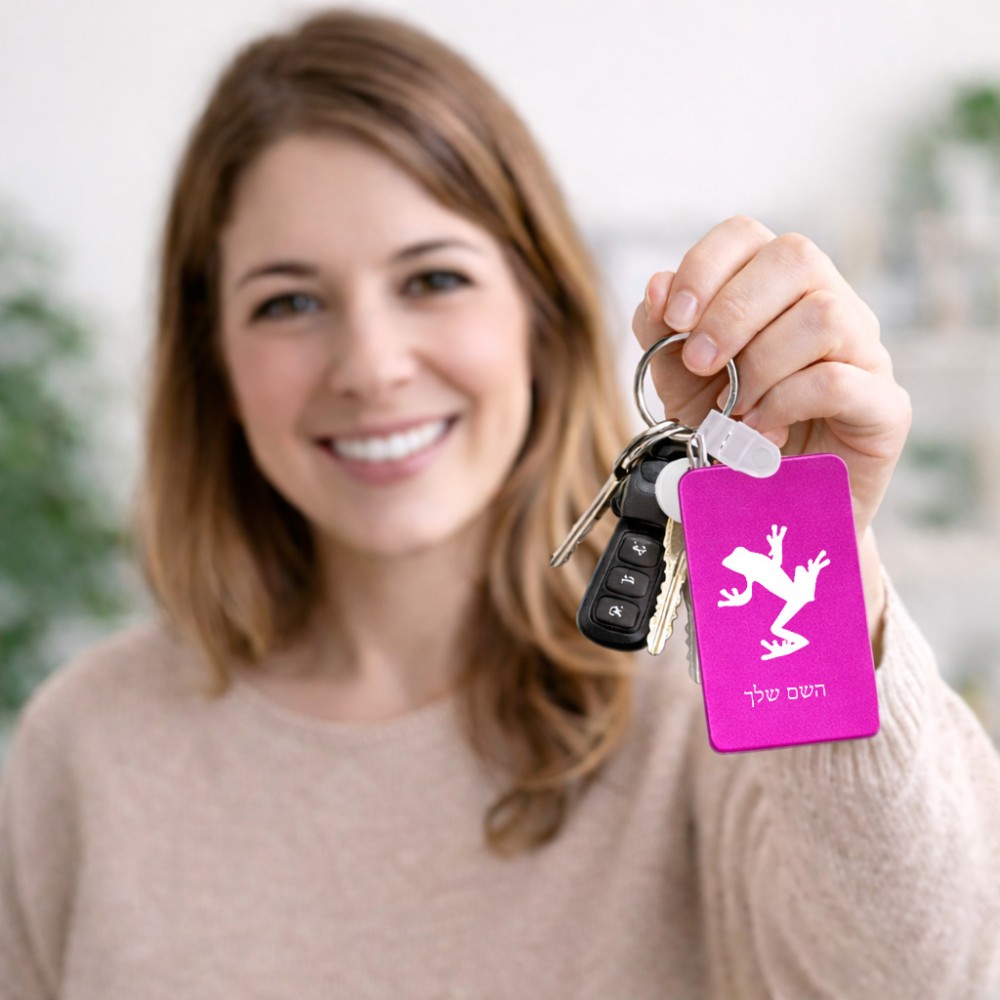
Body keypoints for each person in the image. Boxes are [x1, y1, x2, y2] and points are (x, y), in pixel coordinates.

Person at [1, 8, 998, 999]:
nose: (371, 365)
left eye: (432, 279)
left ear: (540, 315)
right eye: (289, 302)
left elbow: (936, 980)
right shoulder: (84, 746)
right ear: (213, 357)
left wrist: (809, 548)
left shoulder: (711, 708)